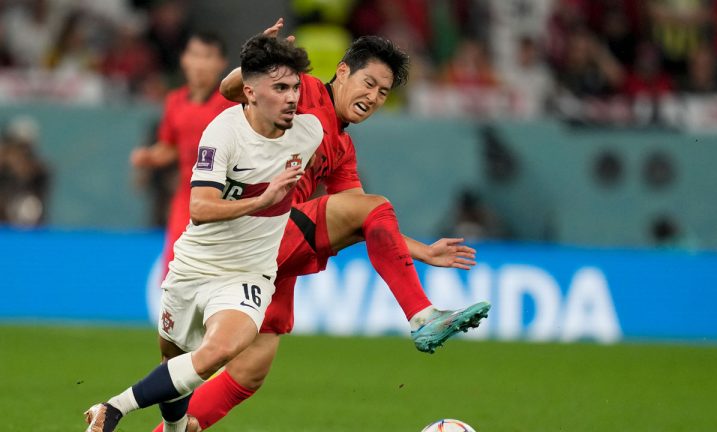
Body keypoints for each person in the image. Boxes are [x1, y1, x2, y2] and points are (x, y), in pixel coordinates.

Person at [152, 18, 491, 431]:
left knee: (248, 374)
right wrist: (260, 59)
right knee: (373, 205)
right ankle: (422, 316)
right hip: (256, 226)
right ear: (343, 71)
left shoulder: (343, 148)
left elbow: (365, 219)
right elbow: (229, 91)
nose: (373, 97)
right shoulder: (306, 90)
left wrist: (421, 251)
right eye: (368, 83)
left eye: (383, 92)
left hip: (275, 248)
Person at [83, 34, 322, 432]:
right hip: (194, 267)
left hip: (248, 274)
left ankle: (114, 408)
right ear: (250, 92)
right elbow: (201, 207)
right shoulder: (223, 131)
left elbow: (338, 105)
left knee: (220, 350)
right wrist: (263, 200)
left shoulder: (309, 131)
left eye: (296, 87)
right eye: (280, 88)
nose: (292, 97)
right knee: (175, 366)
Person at [131, 32, 235, 274]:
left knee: (218, 274)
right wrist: (149, 157)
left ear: (221, 63)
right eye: (195, 55)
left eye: (207, 57)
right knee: (176, 269)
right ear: (184, 60)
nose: (200, 64)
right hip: (186, 198)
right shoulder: (174, 101)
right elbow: (171, 148)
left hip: (226, 198)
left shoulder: (234, 103)